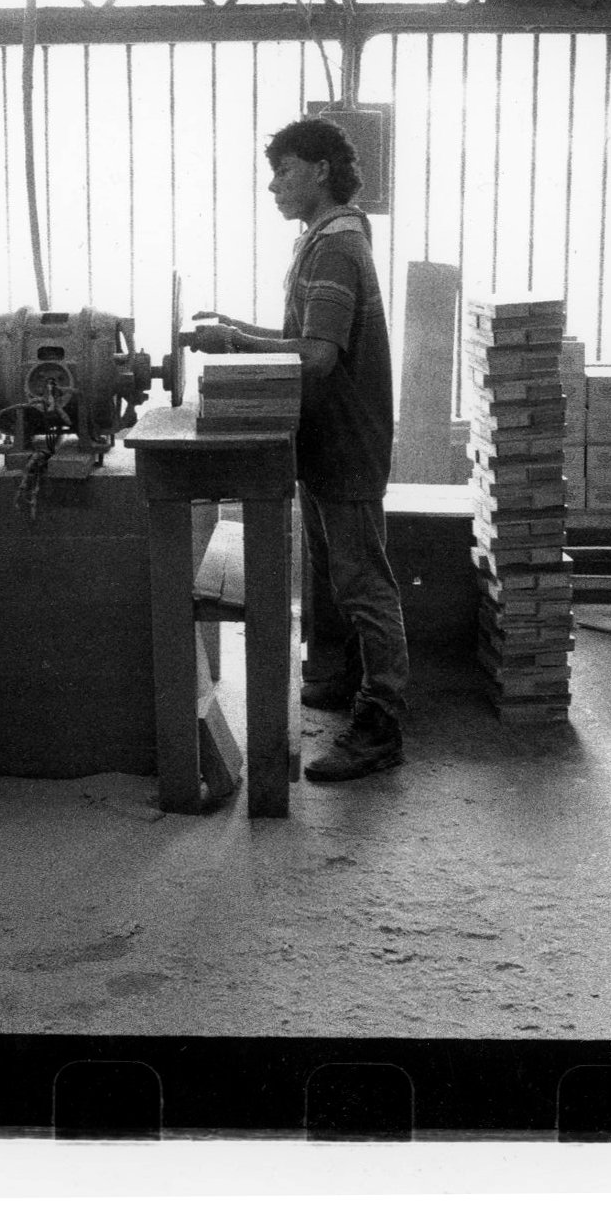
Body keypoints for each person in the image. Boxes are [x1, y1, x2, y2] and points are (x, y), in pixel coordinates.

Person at [189, 117, 411, 782]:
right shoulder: (327, 239)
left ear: (319, 170)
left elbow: (315, 356)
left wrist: (235, 344)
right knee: (335, 574)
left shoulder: (336, 249)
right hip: (327, 437)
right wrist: (234, 329)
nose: (272, 184)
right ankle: (344, 682)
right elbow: (302, 335)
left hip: (345, 440)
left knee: (362, 581)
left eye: (283, 169)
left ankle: (381, 722)